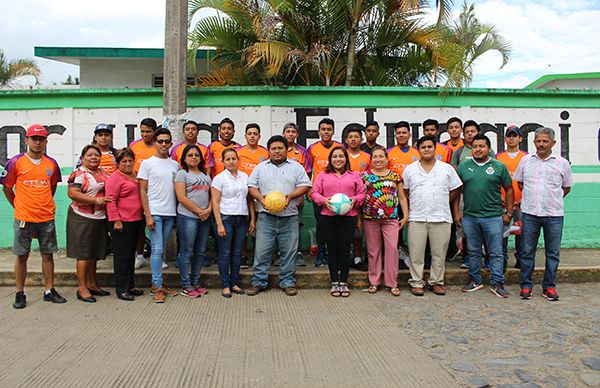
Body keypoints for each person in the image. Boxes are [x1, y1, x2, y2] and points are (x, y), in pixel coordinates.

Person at [1, 124, 66, 309]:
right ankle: (20, 293)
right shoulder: (15, 162)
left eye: (41, 139)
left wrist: (42, 204)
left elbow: (52, 187)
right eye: (34, 138)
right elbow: (7, 188)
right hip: (24, 218)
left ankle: (49, 290)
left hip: (46, 218)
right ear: (26, 140)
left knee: (48, 255)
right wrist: (19, 205)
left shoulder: (51, 163)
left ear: (46, 141)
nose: (37, 142)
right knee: (22, 256)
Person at [247, 135, 312, 296]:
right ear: (269, 150)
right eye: (273, 148)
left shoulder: (296, 167)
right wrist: (261, 199)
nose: (277, 151)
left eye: (280, 148)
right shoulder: (261, 167)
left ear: (286, 150)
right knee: (262, 251)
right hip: (266, 216)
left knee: (289, 251)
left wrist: (289, 197)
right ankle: (258, 282)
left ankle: (288, 282)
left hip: (289, 216)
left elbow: (305, 185)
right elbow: (251, 186)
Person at [514, 127, 573, 301]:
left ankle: (549, 286)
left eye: (545, 141)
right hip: (530, 213)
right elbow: (520, 184)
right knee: (526, 251)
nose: (541, 144)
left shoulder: (562, 163)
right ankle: (526, 286)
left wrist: (550, 199)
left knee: (553, 253)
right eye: (538, 141)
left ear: (553, 143)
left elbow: (566, 187)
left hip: (553, 215)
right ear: (534, 143)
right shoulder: (525, 161)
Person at [454, 134, 514, 298]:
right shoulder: (464, 167)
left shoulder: (498, 167)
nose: (478, 149)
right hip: (470, 217)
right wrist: (457, 213)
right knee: (473, 251)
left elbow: (509, 189)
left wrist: (508, 213)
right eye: (475, 146)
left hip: (494, 217)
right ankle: (475, 280)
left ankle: (497, 282)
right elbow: (457, 191)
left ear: (489, 149)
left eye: (481, 146)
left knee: (495, 252)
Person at [403, 136, 462, 296]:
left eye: (430, 146)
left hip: (441, 216)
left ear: (435, 149)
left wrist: (444, 199)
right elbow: (406, 192)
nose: (427, 149)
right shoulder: (410, 169)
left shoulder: (446, 168)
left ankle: (436, 282)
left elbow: (456, 188)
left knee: (439, 253)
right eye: (423, 147)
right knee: (416, 253)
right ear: (418, 149)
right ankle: (416, 282)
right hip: (417, 217)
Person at [312, 146, 365, 297]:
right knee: (332, 250)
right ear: (330, 159)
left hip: (348, 218)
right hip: (327, 217)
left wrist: (353, 200)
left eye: (341, 156)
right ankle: (334, 281)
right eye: (334, 156)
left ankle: (344, 281)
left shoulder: (354, 175)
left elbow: (362, 194)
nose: (338, 159)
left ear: (346, 159)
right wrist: (323, 201)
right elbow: (314, 192)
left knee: (344, 250)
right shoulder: (323, 174)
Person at [138, 127, 180, 303]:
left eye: (166, 141)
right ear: (155, 143)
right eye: (160, 141)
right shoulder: (147, 163)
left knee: (160, 250)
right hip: (154, 212)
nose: (163, 144)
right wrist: (147, 214)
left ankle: (159, 284)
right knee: (157, 249)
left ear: (171, 143)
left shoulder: (175, 165)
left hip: (170, 213)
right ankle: (157, 286)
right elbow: (142, 189)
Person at [360, 146, 408, 297]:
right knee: (373, 251)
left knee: (392, 249)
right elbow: (360, 199)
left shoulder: (395, 176)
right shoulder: (364, 176)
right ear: (371, 160)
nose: (378, 159)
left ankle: (392, 283)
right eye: (375, 157)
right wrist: (359, 219)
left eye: (381, 156)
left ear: (387, 159)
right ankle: (374, 282)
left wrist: (405, 216)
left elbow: (401, 197)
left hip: (391, 219)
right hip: (370, 219)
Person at [67, 144, 112, 303]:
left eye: (96, 155)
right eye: (89, 155)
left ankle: (92, 284)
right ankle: (82, 288)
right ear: (83, 158)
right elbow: (72, 193)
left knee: (94, 253)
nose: (93, 158)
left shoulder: (103, 173)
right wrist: (96, 200)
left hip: (99, 217)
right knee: (84, 254)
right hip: (82, 217)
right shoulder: (79, 174)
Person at [211, 148, 255, 298]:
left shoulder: (244, 177)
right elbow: (215, 202)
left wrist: (253, 219)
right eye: (227, 159)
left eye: (233, 159)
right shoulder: (219, 179)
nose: (231, 162)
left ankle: (234, 282)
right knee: (225, 253)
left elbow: (249, 199)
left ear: (238, 160)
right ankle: (225, 285)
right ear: (223, 162)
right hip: (226, 218)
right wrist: (219, 224)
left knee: (237, 253)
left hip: (242, 219)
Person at [106, 148, 145, 301]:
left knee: (130, 256)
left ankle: (130, 286)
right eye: (124, 161)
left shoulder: (135, 174)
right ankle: (121, 289)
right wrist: (116, 220)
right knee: (122, 257)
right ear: (118, 163)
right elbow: (111, 201)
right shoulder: (114, 178)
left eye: (130, 160)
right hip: (121, 223)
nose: (128, 164)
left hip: (135, 220)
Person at [175, 144, 212, 298]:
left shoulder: (206, 176)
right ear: (184, 158)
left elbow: (212, 197)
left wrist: (208, 210)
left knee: (200, 252)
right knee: (186, 252)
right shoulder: (182, 174)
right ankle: (186, 285)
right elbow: (181, 197)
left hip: (204, 218)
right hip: (188, 217)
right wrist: (199, 211)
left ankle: (195, 282)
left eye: (196, 155)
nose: (194, 157)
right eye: (190, 155)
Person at [307, 118, 343, 267]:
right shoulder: (312, 148)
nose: (326, 132)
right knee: (321, 225)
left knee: (338, 225)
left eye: (329, 129)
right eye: (323, 129)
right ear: (319, 131)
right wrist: (309, 188)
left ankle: (336, 253)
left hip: (338, 194)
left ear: (333, 131)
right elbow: (308, 171)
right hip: (320, 195)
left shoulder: (340, 147)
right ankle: (321, 252)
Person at [236, 123, 269, 268]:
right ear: (245, 136)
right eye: (249, 133)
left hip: (259, 195)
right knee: (243, 225)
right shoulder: (238, 152)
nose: (252, 136)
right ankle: (243, 255)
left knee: (258, 227)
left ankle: (258, 255)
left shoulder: (265, 152)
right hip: (242, 195)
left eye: (255, 133)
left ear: (259, 136)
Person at [496, 125, 527, 270]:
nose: (512, 138)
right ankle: (502, 261)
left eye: (515, 136)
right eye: (509, 136)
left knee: (522, 233)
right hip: (503, 203)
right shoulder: (498, 157)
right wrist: (500, 196)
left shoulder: (526, 158)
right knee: (502, 233)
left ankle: (521, 260)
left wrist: (524, 198)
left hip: (522, 202)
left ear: (520, 138)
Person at [129, 117, 157, 269]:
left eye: (148, 131)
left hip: (156, 190)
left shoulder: (158, 146)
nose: (145, 134)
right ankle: (139, 255)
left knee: (156, 224)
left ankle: (158, 255)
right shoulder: (134, 146)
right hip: (138, 190)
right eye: (142, 131)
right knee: (139, 224)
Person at [283, 122, 311, 267]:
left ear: (297, 135)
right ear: (283, 134)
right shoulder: (279, 149)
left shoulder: (302, 152)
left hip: (296, 196)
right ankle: (280, 254)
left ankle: (297, 253)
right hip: (278, 197)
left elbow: (307, 174)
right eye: (288, 131)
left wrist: (300, 196)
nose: (290, 134)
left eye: (293, 132)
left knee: (296, 224)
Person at [344, 127, 370, 271]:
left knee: (359, 229)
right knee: (346, 229)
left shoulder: (367, 157)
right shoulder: (342, 155)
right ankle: (345, 256)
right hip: (344, 197)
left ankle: (359, 258)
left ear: (361, 140)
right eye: (350, 137)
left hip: (362, 197)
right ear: (346, 140)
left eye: (356, 136)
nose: (353, 139)